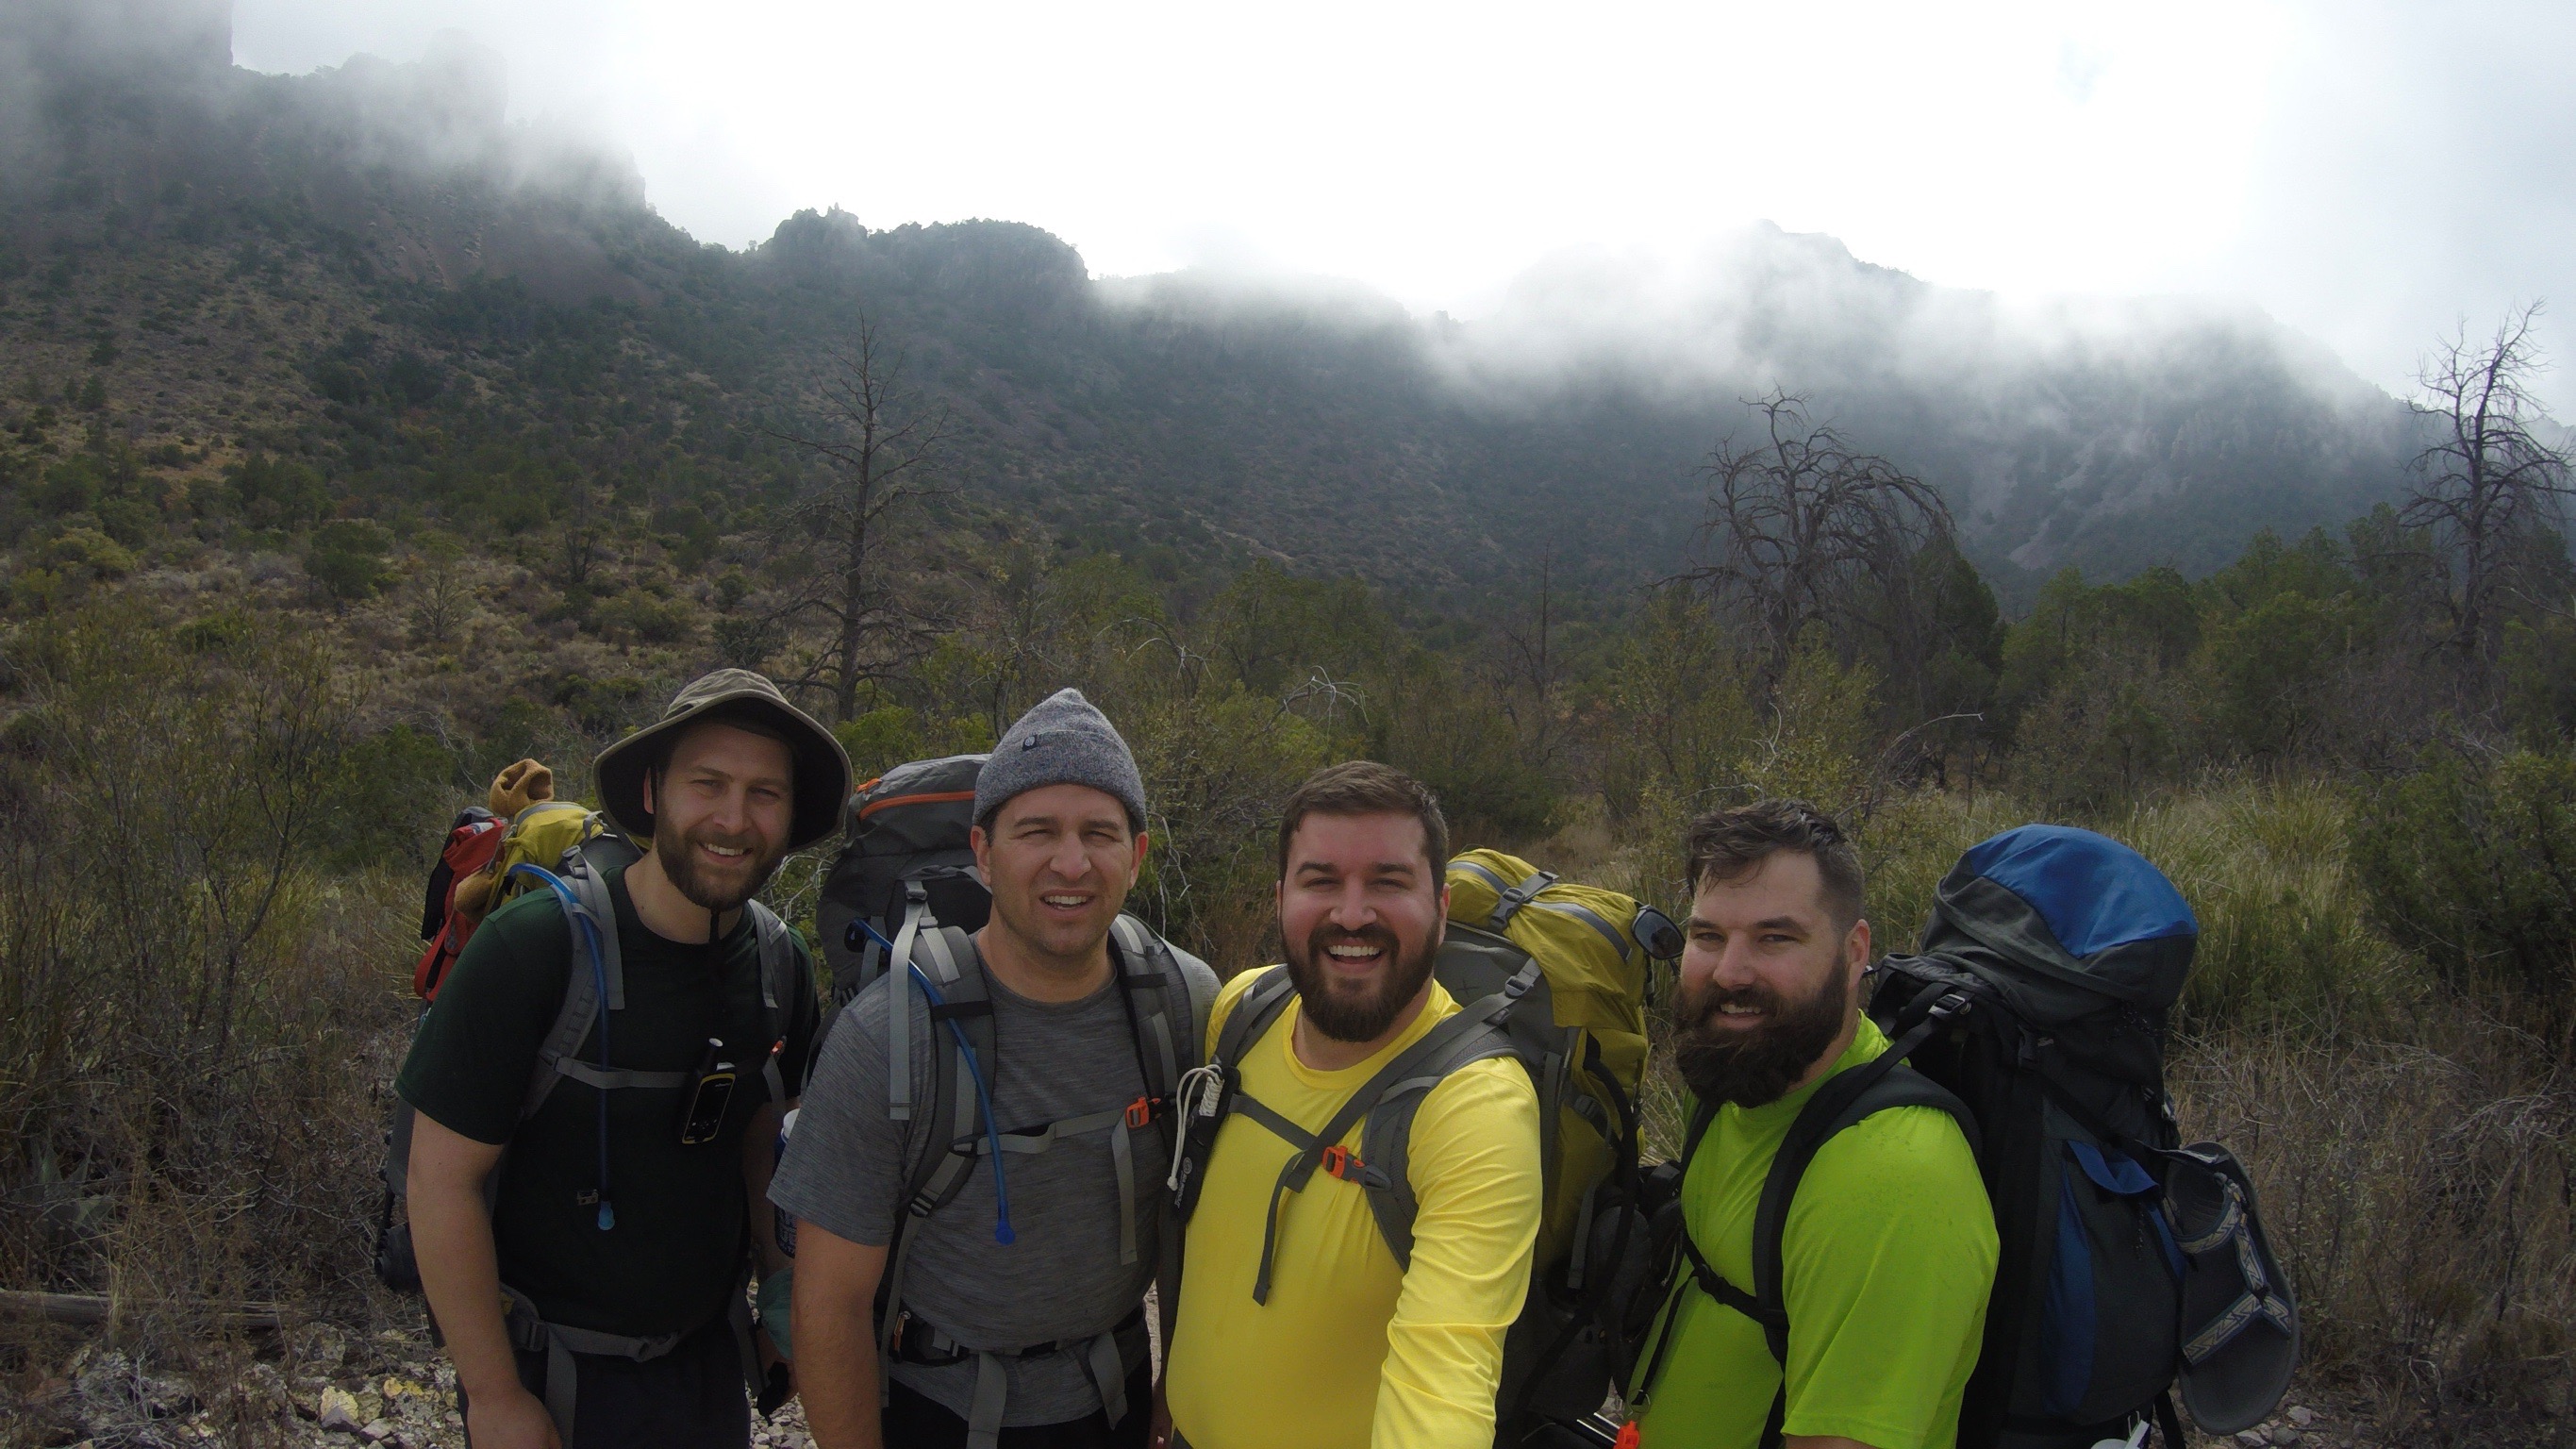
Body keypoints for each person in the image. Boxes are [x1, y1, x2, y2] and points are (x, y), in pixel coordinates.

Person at [397, 670, 848, 1449]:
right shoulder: (533, 949)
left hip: (707, 1372)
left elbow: (764, 1137)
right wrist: (494, 1394)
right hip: (552, 1377)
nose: (733, 819)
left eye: (764, 794)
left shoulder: (778, 963)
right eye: (707, 783)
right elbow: (440, 1178)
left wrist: (780, 1299)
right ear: (651, 791)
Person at [774, 689, 1218, 1449]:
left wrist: (1180, 1393)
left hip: (1117, 1396)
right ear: (982, 853)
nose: (1070, 862)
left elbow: (1206, 1232)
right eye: (1036, 831)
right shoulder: (887, 1037)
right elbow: (829, 1305)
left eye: (1099, 833)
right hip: (936, 1411)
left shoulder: (1183, 1001)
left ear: (1137, 856)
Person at [1160, 760, 1543, 1449]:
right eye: (1321, 881)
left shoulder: (1474, 1109)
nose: (1352, 913)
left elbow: (1445, 1374)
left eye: (1388, 882)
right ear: (1280, 898)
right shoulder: (1244, 1009)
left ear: (1442, 906)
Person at [1626, 800, 1997, 1449]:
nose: (1729, 973)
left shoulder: (1891, 1184)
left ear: (1853, 953)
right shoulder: (1736, 1077)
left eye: (1775, 938)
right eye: (1708, 936)